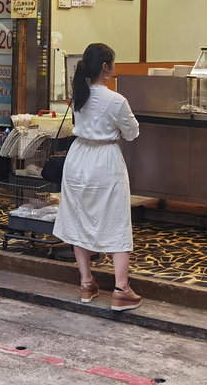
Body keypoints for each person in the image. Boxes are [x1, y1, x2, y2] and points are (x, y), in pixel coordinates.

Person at [53, 43, 142, 312]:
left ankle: (86, 283)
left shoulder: (78, 94)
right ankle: (121, 289)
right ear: (106, 67)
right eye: (113, 62)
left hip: (78, 159)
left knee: (79, 218)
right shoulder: (116, 100)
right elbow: (132, 132)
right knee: (116, 219)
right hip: (105, 161)